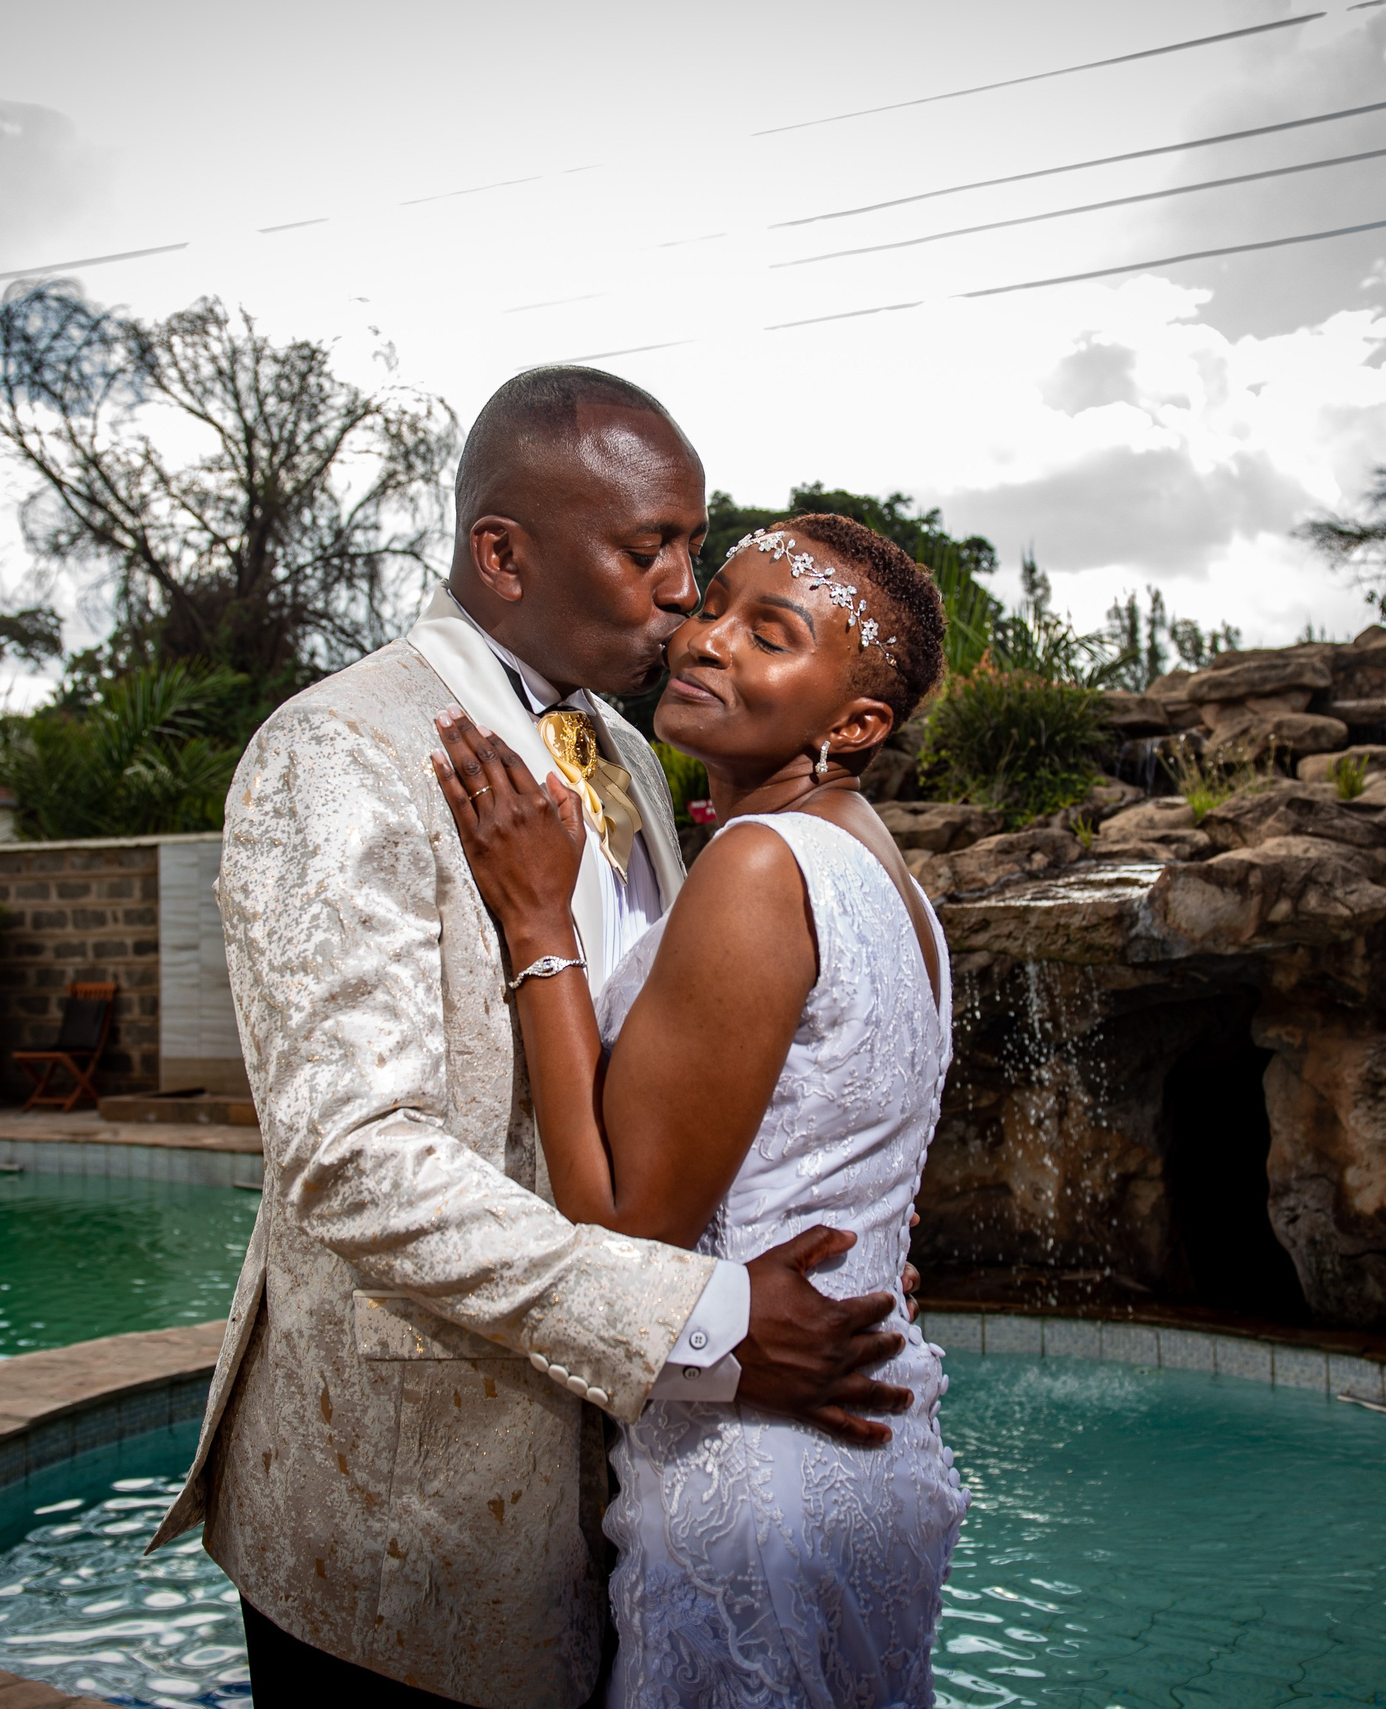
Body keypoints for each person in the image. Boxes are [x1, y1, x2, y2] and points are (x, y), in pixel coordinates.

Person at [147, 369, 920, 1709]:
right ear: (501, 554)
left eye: (695, 543)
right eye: (648, 549)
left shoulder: (630, 755)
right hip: (411, 1512)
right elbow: (353, 1162)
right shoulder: (337, 749)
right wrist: (710, 1318)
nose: (685, 587)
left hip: (637, 1491)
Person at [432, 511, 967, 1706]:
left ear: (858, 721)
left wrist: (536, 922)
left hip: (753, 1470)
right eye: (714, 604)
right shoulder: (896, 888)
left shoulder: (763, 864)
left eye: (767, 634)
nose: (706, 639)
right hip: (870, 1446)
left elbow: (621, 1222)